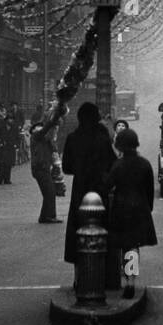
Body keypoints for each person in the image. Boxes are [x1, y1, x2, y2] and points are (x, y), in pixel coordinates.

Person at [102, 128, 157, 299]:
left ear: (120, 146)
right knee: (133, 247)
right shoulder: (145, 164)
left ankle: (126, 278)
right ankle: (131, 281)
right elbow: (149, 191)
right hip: (140, 208)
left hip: (122, 208)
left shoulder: (118, 165)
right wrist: (148, 207)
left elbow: (108, 185)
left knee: (125, 246)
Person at [61, 102, 117, 266]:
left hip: (80, 188)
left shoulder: (72, 138)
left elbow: (67, 167)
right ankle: (101, 271)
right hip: (99, 188)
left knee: (78, 229)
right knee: (100, 228)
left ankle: (79, 274)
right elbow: (111, 164)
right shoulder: (102, 138)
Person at [30, 121, 62, 223]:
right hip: (40, 168)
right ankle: (49, 216)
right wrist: (53, 121)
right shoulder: (36, 135)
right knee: (50, 192)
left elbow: (53, 147)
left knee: (48, 192)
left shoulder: (44, 139)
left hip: (43, 168)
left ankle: (44, 216)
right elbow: (46, 130)